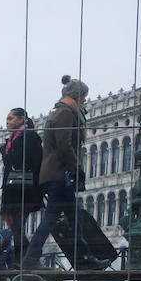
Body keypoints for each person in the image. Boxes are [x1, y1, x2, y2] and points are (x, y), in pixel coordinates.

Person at [25, 75, 109, 271]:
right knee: (53, 218)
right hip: (60, 174)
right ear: (78, 96)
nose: (85, 101)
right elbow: (65, 145)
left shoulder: (62, 112)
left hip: (57, 173)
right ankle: (32, 259)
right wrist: (76, 169)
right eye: (84, 97)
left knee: (73, 217)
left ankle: (85, 260)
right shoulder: (65, 113)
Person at [0, 107, 43, 269]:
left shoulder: (29, 137)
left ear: (21, 119)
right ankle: (22, 261)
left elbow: (37, 163)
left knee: (17, 227)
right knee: (16, 228)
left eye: (11, 118)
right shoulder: (11, 141)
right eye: (7, 118)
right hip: (13, 189)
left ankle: (29, 260)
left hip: (25, 189)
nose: (7, 122)